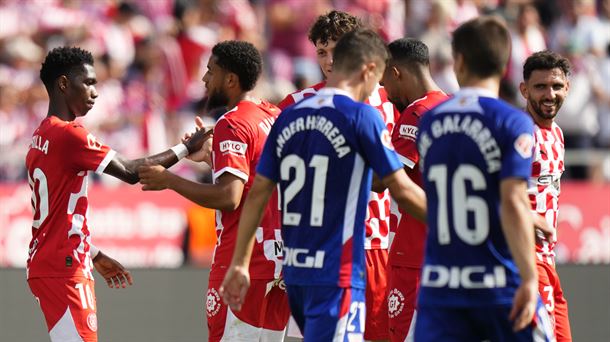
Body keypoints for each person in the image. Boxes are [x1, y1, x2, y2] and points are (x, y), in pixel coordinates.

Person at [220, 29, 426, 342]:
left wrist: (240, 263)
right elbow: (401, 189)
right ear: (368, 69)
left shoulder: (289, 115)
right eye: (378, 77)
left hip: (297, 272)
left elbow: (259, 191)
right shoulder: (361, 116)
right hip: (337, 273)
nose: (379, 86)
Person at [26, 46, 209, 342]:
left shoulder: (40, 136)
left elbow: (55, 212)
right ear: (63, 84)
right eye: (87, 82)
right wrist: (186, 148)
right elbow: (132, 171)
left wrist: (93, 252)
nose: (95, 92)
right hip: (64, 266)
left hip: (51, 261)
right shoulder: (70, 135)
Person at [413, 16, 554, 341]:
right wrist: (530, 278)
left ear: (459, 61)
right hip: (497, 281)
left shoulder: (430, 122)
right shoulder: (512, 122)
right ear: (506, 66)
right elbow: (513, 200)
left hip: (441, 286)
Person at [137, 41, 289, 341]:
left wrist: (169, 180)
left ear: (230, 79)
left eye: (210, 71)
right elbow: (256, 173)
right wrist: (212, 155)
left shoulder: (232, 123)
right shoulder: (271, 114)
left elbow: (229, 197)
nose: (204, 79)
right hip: (280, 260)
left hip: (243, 260)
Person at [278, 11, 401, 340]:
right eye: (321, 52)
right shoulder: (297, 103)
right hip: (322, 250)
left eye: (337, 49)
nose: (329, 60)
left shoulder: (389, 101)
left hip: (376, 245)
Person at [380, 38, 449, 342]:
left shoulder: (416, 113)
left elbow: (385, 179)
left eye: (385, 82)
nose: (386, 92)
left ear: (395, 73)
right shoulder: (451, 106)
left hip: (414, 254)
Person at [519, 50, 573, 341]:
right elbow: (495, 194)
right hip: (525, 258)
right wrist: (533, 220)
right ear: (524, 89)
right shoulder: (521, 134)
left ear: (567, 88)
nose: (549, 94)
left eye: (556, 86)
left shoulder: (558, 135)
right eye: (540, 87)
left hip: (547, 260)